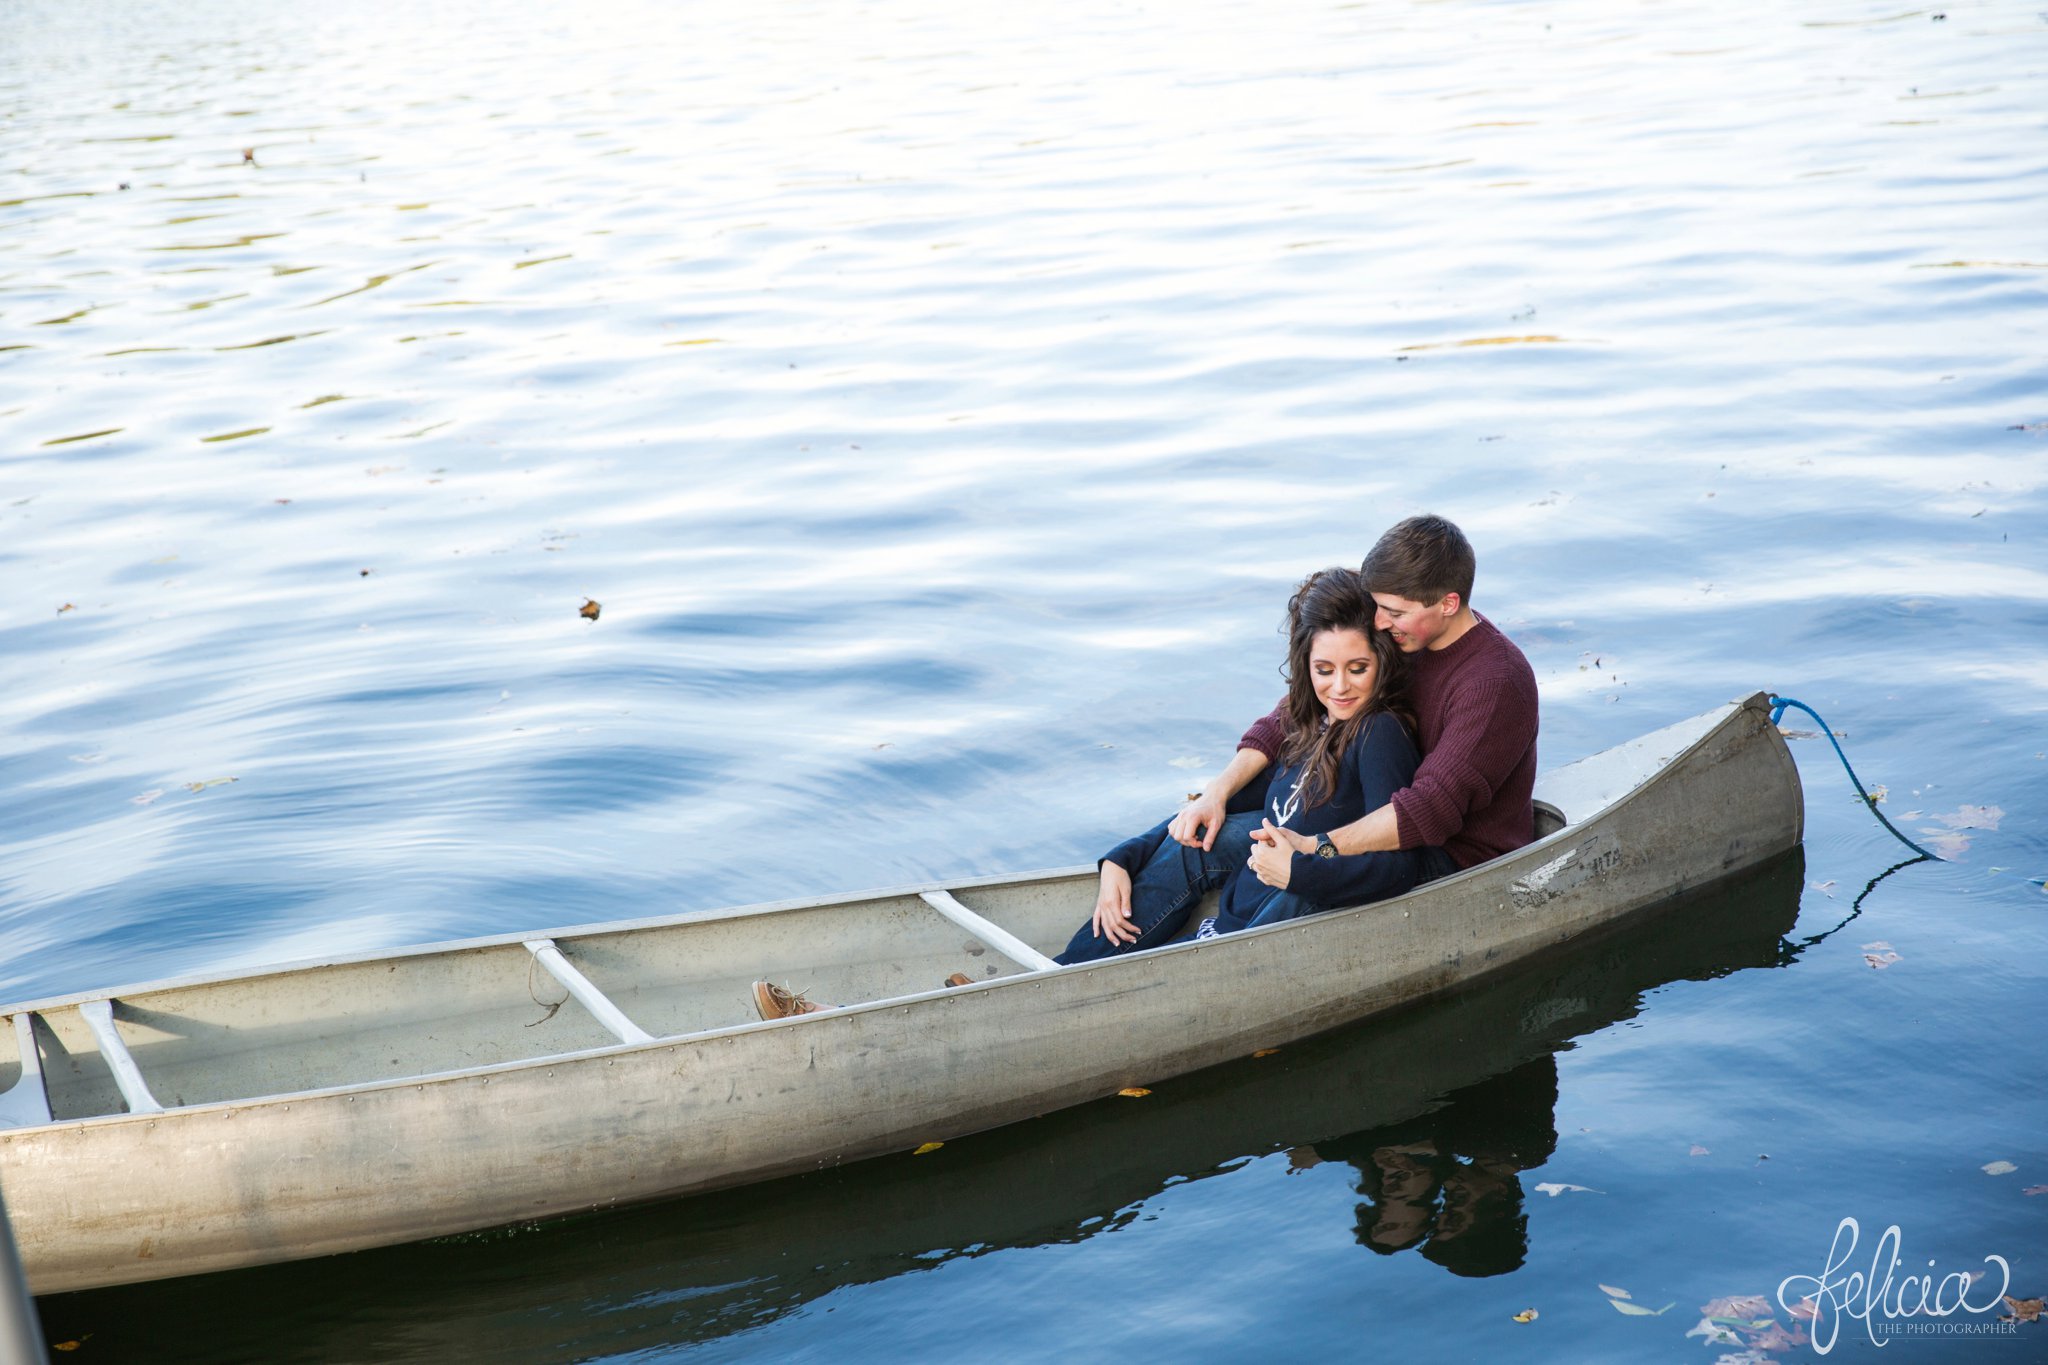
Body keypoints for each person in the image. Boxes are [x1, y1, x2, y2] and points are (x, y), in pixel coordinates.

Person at [1053, 567, 1434, 963]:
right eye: (1324, 670)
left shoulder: (1380, 735)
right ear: (1306, 664)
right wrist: (1122, 856)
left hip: (1247, 946)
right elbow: (1220, 807)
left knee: (1292, 894)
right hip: (1226, 920)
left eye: (1358, 669)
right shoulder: (1310, 724)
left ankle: (1066, 983)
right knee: (1197, 839)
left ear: (1382, 661)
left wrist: (1299, 872)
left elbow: (1398, 867)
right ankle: (1058, 971)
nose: (1339, 687)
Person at [1186, 514, 1538, 880]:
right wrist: (1217, 792)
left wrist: (1313, 848)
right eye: (1379, 607)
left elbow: (1429, 809)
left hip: (1454, 860)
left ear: (1448, 604)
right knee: (1206, 841)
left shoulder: (1496, 682)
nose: (1380, 622)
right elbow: (1292, 716)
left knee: (1291, 869)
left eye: (1394, 612)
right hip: (1365, 816)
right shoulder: (1409, 636)